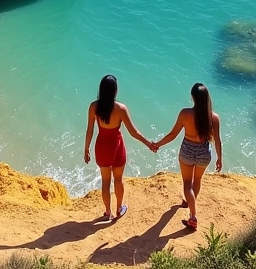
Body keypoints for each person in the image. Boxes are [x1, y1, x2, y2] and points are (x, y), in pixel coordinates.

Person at [84, 74, 156, 221]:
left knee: (105, 181)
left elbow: (90, 130)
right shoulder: (121, 108)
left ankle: (107, 212)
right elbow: (133, 132)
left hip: (102, 146)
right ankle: (119, 209)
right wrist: (148, 143)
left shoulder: (94, 107)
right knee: (118, 179)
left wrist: (86, 149)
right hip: (117, 146)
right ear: (115, 91)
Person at [153, 82, 222, 231]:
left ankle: (193, 217)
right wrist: (219, 158)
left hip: (187, 151)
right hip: (204, 152)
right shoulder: (214, 118)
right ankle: (190, 204)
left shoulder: (185, 113)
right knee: (196, 181)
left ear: (192, 97)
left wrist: (157, 144)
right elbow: (217, 140)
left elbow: (172, 134)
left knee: (187, 183)